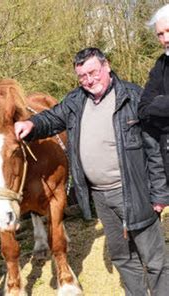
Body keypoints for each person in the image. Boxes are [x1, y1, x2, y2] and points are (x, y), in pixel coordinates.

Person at [14, 47, 169, 295]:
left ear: (106, 66)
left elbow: (155, 148)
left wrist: (160, 194)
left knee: (154, 261)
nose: (89, 80)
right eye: (82, 76)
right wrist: (31, 123)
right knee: (122, 258)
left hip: (134, 190)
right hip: (101, 196)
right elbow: (52, 118)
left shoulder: (133, 97)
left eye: (93, 72)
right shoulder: (76, 101)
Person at [139, 4, 169, 192]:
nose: (166, 39)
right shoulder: (161, 64)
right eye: (160, 34)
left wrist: (160, 104)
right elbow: (143, 108)